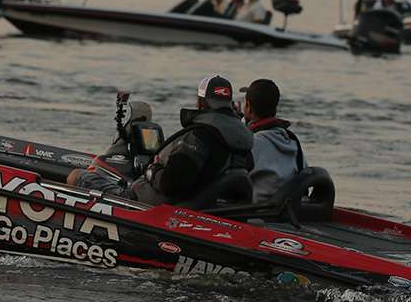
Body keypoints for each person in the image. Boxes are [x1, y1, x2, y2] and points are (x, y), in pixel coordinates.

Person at [68, 75, 254, 206]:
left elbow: (171, 184)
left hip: (149, 206)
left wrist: (152, 171)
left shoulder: (199, 137)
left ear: (200, 103)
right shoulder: (241, 140)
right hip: (198, 204)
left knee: (77, 176)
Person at [240, 79, 305, 201]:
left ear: (248, 107)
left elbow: (231, 177)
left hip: (255, 211)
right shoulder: (292, 140)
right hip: (287, 209)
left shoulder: (252, 143)